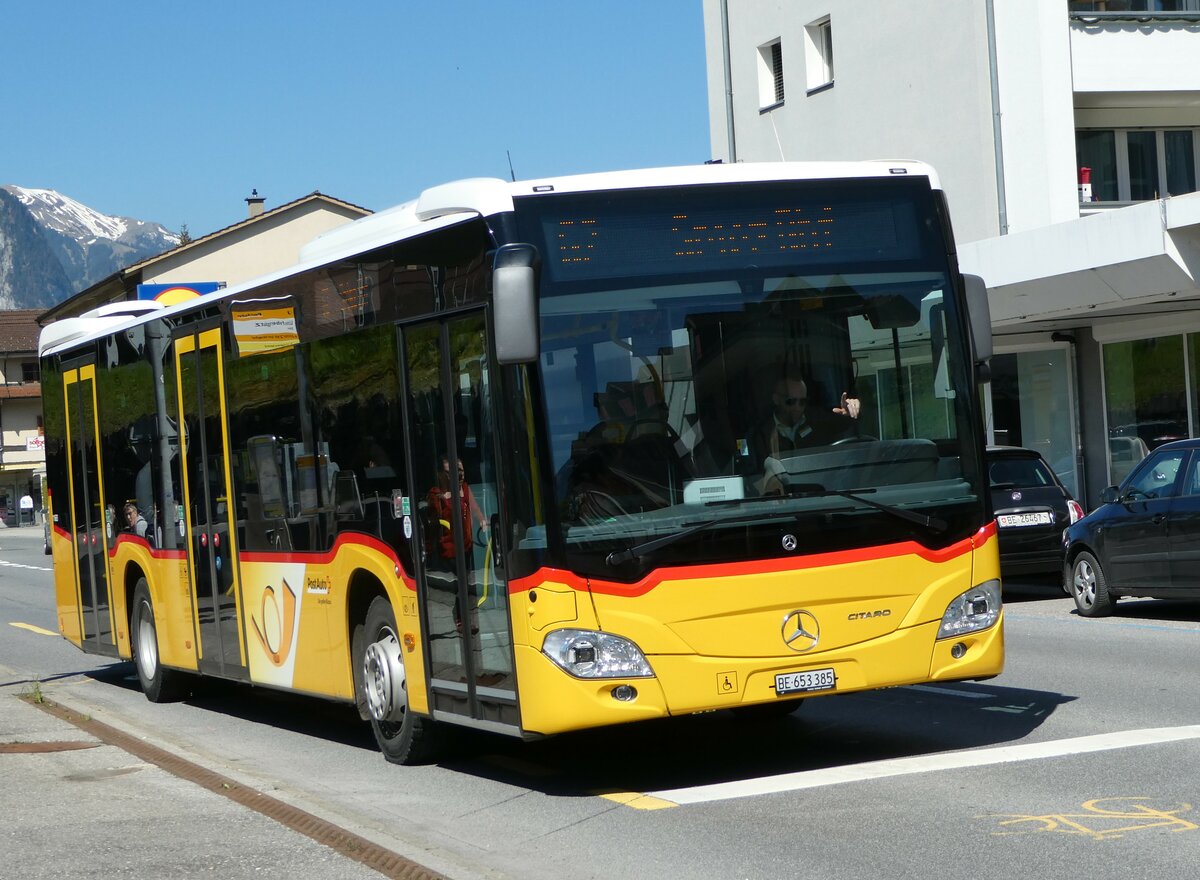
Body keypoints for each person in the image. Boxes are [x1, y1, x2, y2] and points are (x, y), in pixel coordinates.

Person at [426, 455, 488, 635]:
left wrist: (482, 520)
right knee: (460, 583)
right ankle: (461, 619)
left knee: (465, 582)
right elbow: (433, 512)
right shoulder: (436, 492)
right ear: (442, 474)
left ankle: (462, 615)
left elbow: (474, 507)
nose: (457, 475)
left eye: (460, 470)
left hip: (466, 545)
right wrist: (442, 497)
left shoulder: (465, 488)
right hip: (449, 547)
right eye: (451, 472)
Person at [750, 365, 861, 460]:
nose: (797, 407)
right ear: (776, 399)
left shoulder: (817, 421)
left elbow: (845, 423)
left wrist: (851, 411)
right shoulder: (761, 433)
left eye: (802, 402)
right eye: (790, 401)